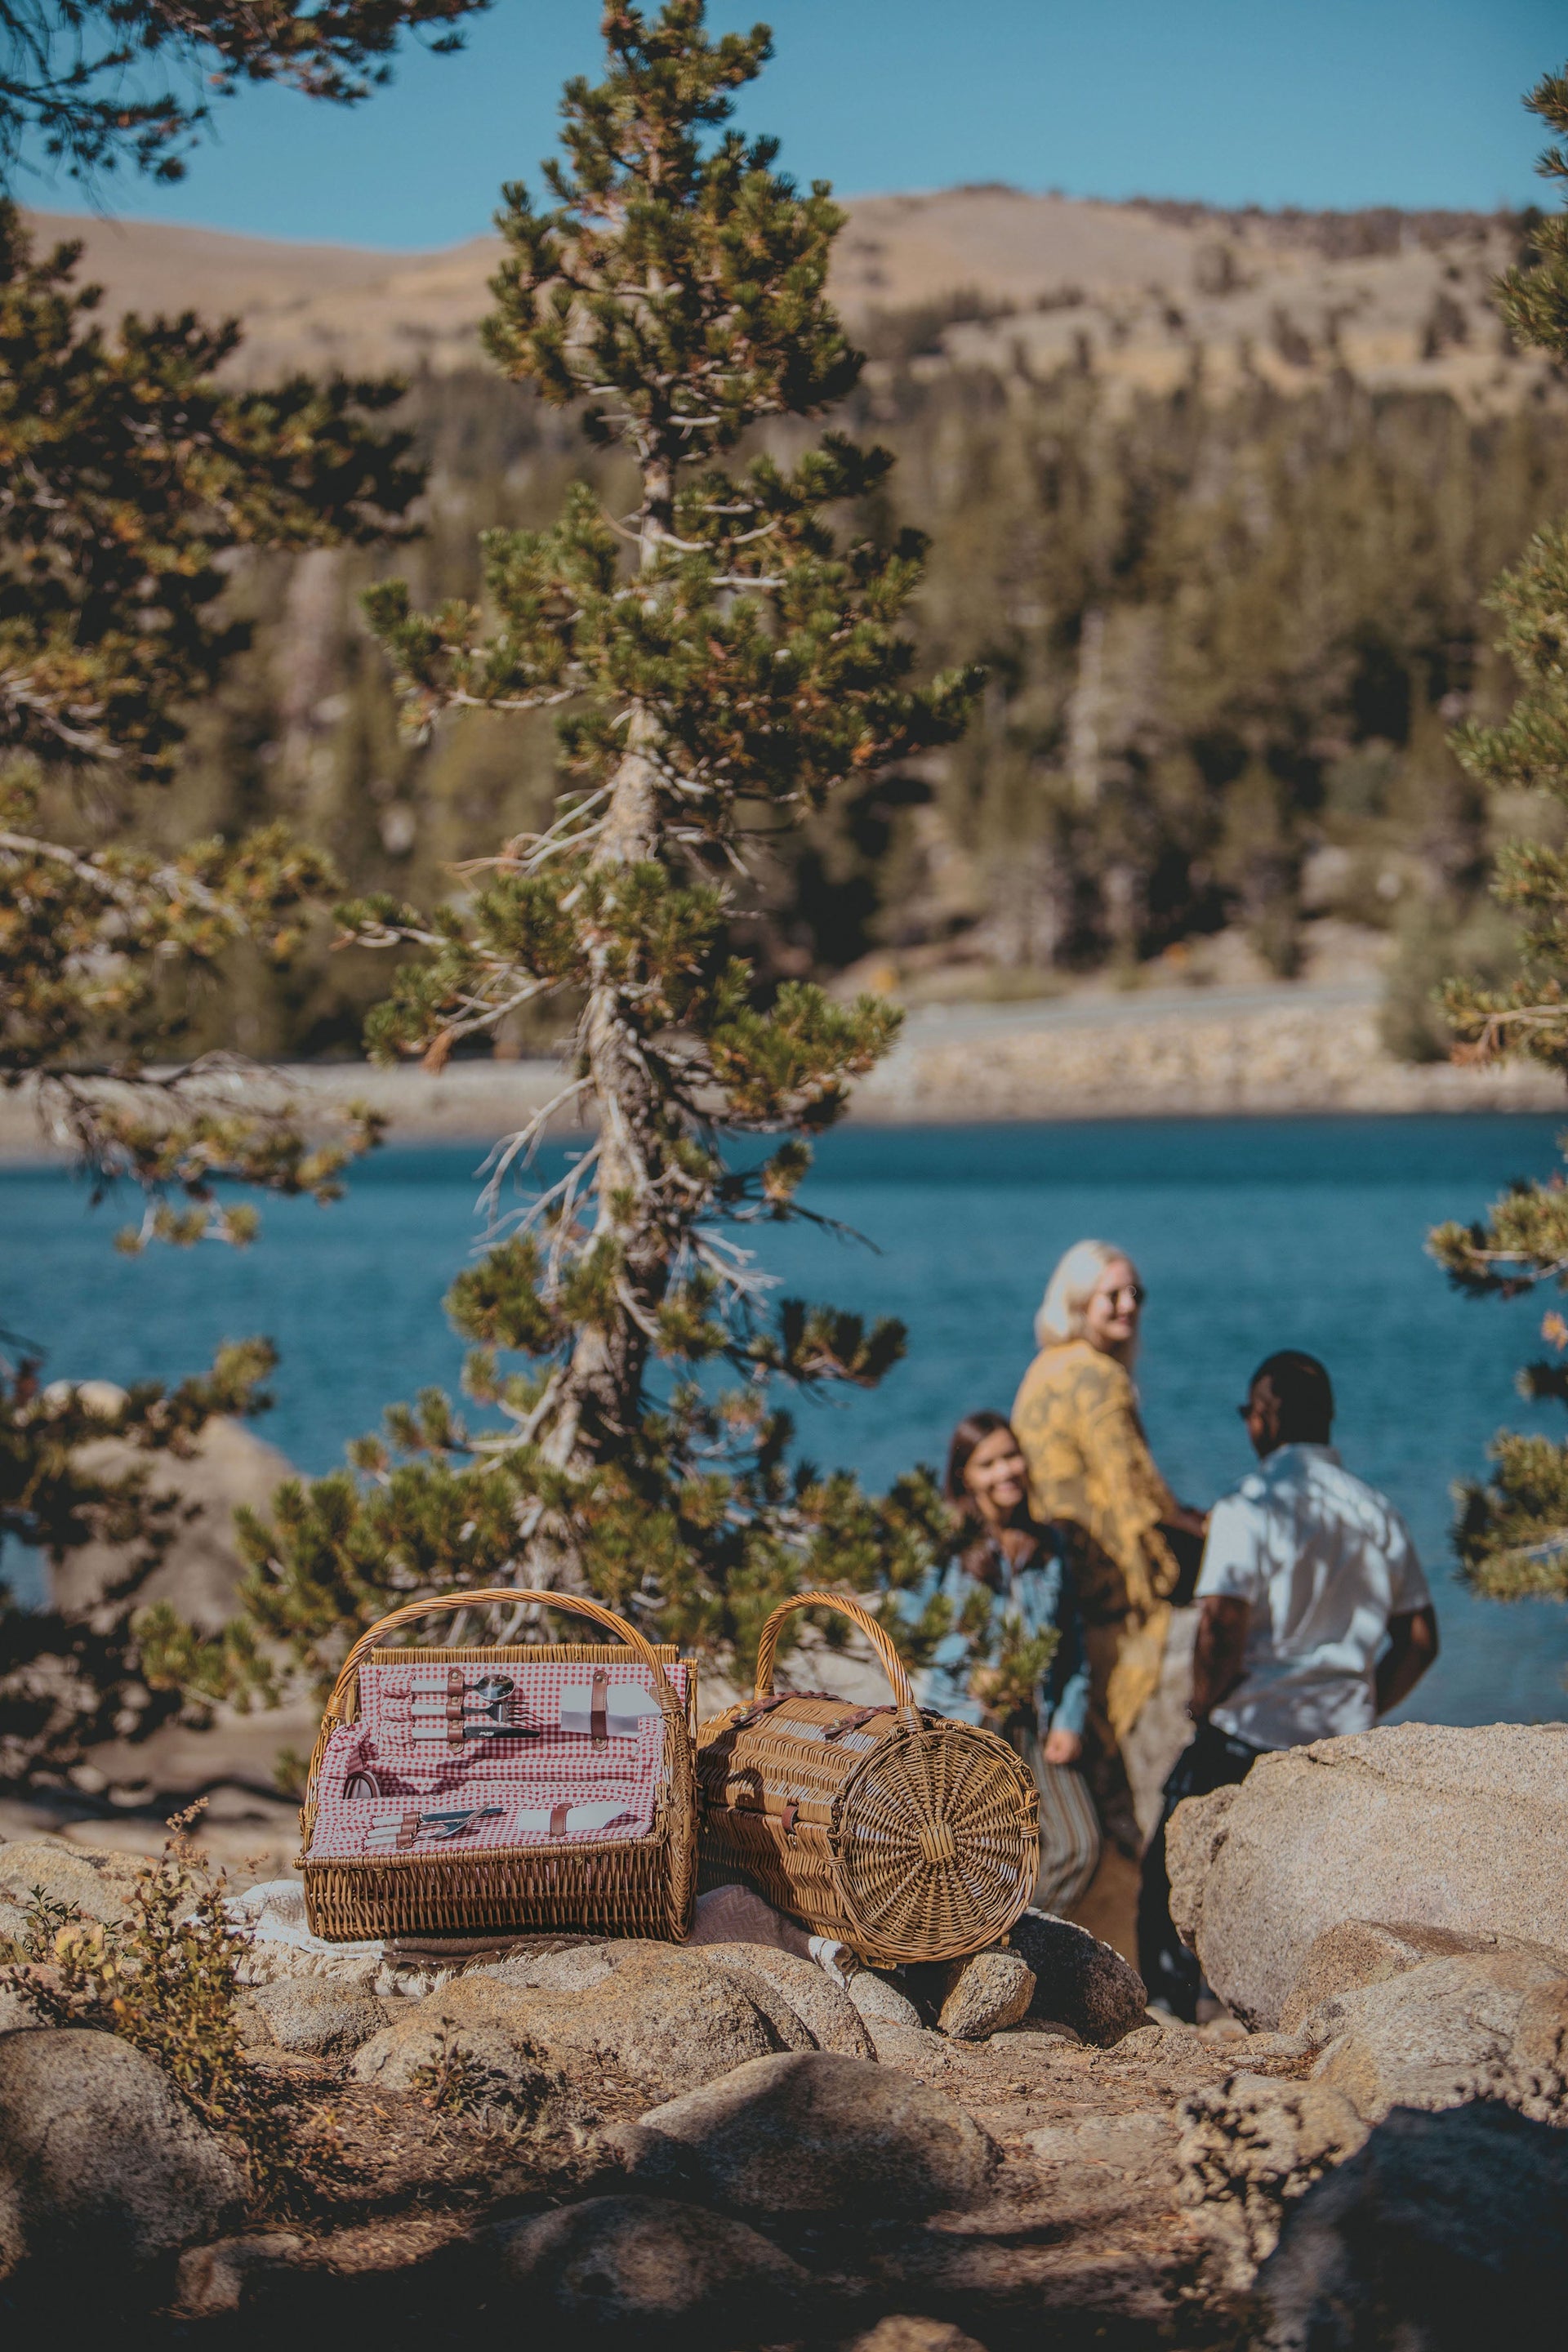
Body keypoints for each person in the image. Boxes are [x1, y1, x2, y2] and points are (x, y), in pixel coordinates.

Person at [1137, 1348, 1439, 2018]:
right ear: (1327, 1419)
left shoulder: (1250, 1506)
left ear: (1265, 1420)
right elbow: (1420, 1640)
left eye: (1250, 1412)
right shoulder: (1378, 1510)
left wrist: (1201, 1702)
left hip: (1249, 1734)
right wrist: (1366, 1701)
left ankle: (1170, 2008)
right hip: (1345, 1744)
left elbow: (1222, 1624)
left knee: (1171, 1868)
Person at [1010, 1240, 1206, 1851]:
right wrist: (1201, 1537)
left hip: (1049, 1571)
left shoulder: (1046, 1364)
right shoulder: (1098, 1376)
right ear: (1078, 1302)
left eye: (1135, 1294)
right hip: (1096, 1590)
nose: (1128, 1306)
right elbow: (1135, 1492)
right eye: (1112, 1295)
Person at [898, 1410, 1102, 1914]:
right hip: (967, 1723)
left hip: (1038, 1721)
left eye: (1011, 1457)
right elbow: (907, 1633)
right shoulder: (945, 1546)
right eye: (988, 1463)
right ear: (965, 1475)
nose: (1005, 1471)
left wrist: (1072, 1721)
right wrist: (970, 1667)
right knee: (974, 1858)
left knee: (1079, 1846)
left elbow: (1072, 1649)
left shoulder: (1049, 1546)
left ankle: (1016, 1942)